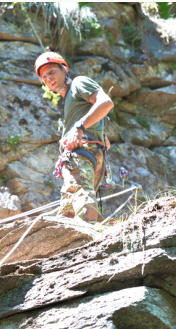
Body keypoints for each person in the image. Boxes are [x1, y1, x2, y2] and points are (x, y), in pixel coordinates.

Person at [35, 52, 114, 223]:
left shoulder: (78, 83)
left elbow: (106, 103)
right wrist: (99, 137)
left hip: (81, 155)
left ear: (64, 69)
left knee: (82, 201)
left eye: (52, 71)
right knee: (69, 212)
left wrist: (80, 127)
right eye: (44, 76)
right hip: (87, 155)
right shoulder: (71, 100)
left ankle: (92, 241)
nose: (48, 78)